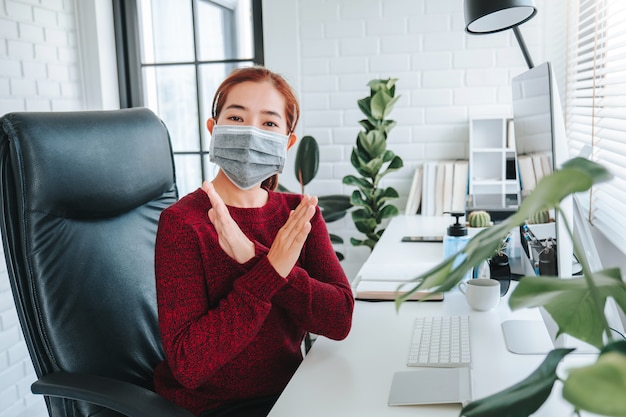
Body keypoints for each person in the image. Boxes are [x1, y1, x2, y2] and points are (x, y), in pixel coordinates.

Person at [153, 66, 355, 417]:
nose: (251, 133)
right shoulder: (183, 223)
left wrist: (253, 258)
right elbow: (189, 364)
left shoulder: (298, 215)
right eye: (237, 117)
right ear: (213, 129)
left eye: (269, 123)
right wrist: (270, 269)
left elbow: (339, 319)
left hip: (290, 394)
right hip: (213, 407)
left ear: (287, 142)